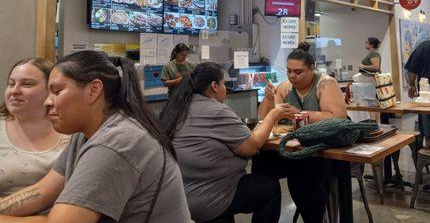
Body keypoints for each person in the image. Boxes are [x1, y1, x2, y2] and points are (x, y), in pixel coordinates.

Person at [0, 50, 191, 223]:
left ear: (94, 90)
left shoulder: (117, 141)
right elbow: (43, 191)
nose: (48, 101)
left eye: (57, 91)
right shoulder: (84, 132)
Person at [159, 62, 284, 223]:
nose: (225, 88)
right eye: (224, 84)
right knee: (269, 188)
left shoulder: (177, 106)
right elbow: (251, 147)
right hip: (207, 196)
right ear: (214, 86)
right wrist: (274, 114)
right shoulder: (216, 110)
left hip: (179, 194)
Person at [254, 42, 346, 223]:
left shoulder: (325, 83)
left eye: (298, 72)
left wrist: (299, 113)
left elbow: (337, 117)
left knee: (305, 177)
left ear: (312, 69)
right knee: (261, 162)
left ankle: (314, 218)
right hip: (293, 149)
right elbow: (264, 119)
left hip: (321, 153)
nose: (292, 76)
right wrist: (268, 99)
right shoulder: (285, 87)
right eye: (289, 71)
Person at [0, 58, 69, 197]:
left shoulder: (72, 132)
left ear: (51, 90)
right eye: (11, 84)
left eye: (27, 84)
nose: (15, 91)